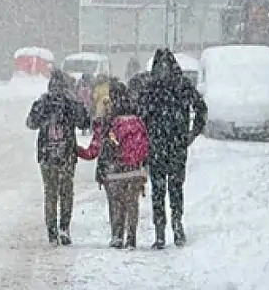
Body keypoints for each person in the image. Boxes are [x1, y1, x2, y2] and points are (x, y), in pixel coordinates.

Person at [140, 48, 208, 249]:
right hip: (173, 145)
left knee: (162, 189)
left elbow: (141, 115)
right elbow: (201, 109)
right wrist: (191, 134)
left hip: (160, 146)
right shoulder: (181, 85)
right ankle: (174, 228)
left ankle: (163, 231)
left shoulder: (152, 88)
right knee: (173, 189)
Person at [77, 82, 150, 249]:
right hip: (135, 168)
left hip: (114, 170)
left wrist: (77, 151)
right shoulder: (137, 116)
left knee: (115, 202)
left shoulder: (107, 119)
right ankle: (131, 237)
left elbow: (94, 149)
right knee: (132, 203)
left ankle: (117, 235)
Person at [26, 69, 91, 246]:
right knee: (66, 192)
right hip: (67, 154)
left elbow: (30, 123)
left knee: (50, 192)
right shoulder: (70, 103)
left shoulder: (42, 102)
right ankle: (64, 227)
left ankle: (52, 231)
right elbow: (85, 122)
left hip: (47, 154)